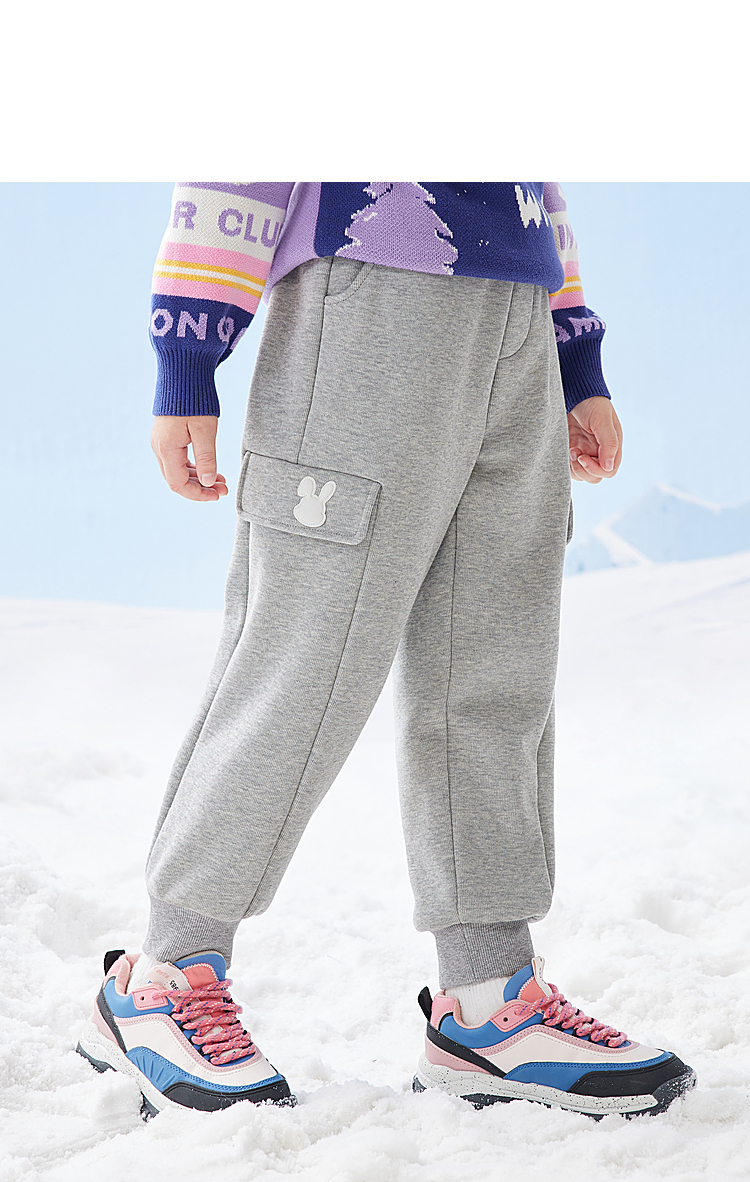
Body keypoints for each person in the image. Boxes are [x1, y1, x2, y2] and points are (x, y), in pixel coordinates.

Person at [76, 183, 695, 1120]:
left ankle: (488, 1003)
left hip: (517, 314)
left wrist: (575, 351)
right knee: (304, 658)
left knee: (491, 673)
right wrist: (189, 350)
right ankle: (164, 974)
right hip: (370, 294)